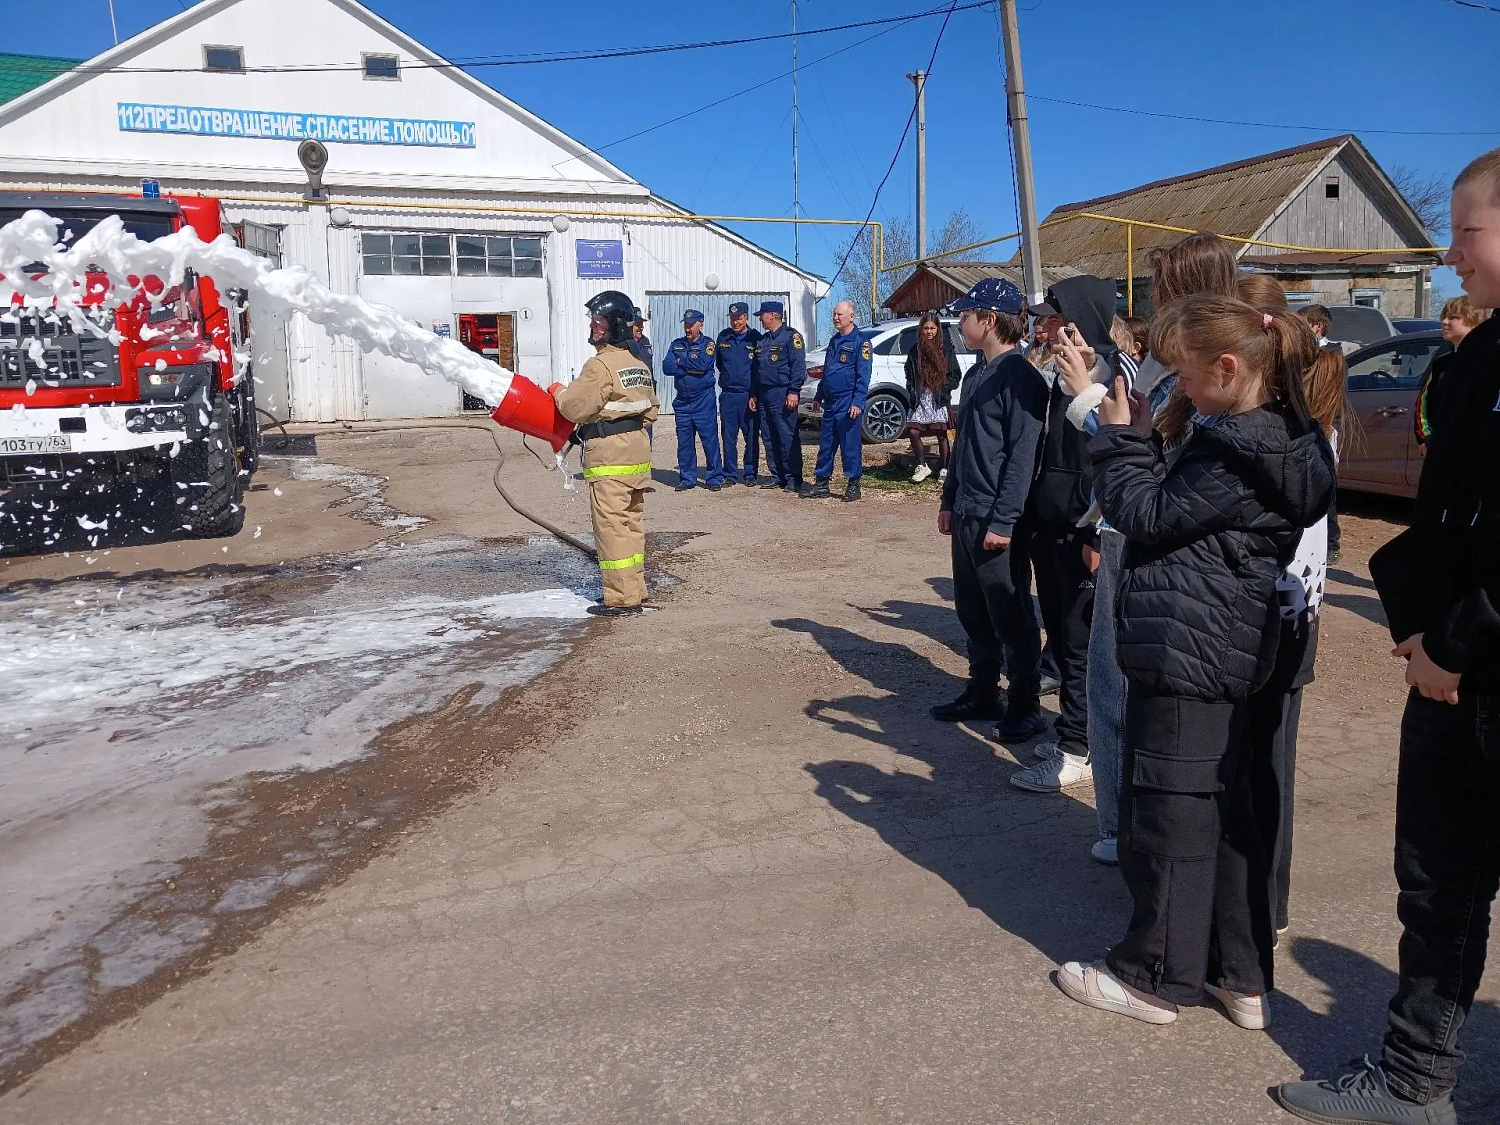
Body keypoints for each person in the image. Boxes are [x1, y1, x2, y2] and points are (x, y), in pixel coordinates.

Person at [1275, 147, 1500, 1125]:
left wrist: (1461, 640)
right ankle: (1416, 1080)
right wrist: (1426, 635)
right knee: (1440, 882)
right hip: (1449, 665)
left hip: (1478, 656)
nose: (1449, 252)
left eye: (1469, 230)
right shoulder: (1484, 353)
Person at [1055, 296, 1334, 1029]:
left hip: (1191, 647)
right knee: (1226, 813)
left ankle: (1154, 975)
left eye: (1184, 374)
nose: (1177, 387)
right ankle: (1235, 972)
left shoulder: (1239, 446)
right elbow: (1173, 508)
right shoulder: (1276, 438)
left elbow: (1145, 515)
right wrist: (1145, 440)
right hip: (1225, 644)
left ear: (1229, 368)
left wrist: (1119, 440)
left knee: (1171, 815)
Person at [1055, 231, 1240, 865]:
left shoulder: (1208, 373)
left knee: (1122, 688)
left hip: (1148, 539)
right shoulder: (1169, 361)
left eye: (1162, 287)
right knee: (1111, 685)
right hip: (1125, 528)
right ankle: (1117, 821)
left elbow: (1149, 455)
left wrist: (1083, 396)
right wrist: (1093, 380)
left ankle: (1128, 830)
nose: (1153, 298)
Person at [1011, 276, 1138, 794]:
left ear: (1078, 316)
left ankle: (1081, 750)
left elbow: (1111, 454)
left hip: (1083, 532)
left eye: (1052, 316)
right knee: (1063, 639)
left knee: (1082, 642)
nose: (1042, 325)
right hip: (1053, 526)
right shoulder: (1062, 365)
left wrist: (1095, 534)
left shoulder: (1112, 371)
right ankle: (1073, 731)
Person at [1248, 345, 1346, 950]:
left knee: (1263, 764)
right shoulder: (1316, 436)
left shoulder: (1289, 439)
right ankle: (1267, 899)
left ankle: (1261, 902)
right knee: (1273, 761)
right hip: (1296, 614)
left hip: (1274, 618)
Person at [930, 278, 1047, 742]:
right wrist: (947, 499)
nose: (959, 323)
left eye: (966, 314)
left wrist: (1004, 520)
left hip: (996, 518)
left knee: (1010, 613)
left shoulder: (1021, 377)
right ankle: (983, 690)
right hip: (966, 509)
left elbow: (1023, 456)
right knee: (972, 609)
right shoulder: (978, 373)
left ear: (990, 320)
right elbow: (962, 450)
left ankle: (1026, 704)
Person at [552, 290, 661, 617]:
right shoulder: (637, 363)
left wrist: (558, 392)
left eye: (598, 322)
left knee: (612, 528)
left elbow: (574, 407)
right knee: (630, 525)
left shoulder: (600, 366)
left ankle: (621, 599)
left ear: (614, 325)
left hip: (610, 461)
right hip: (637, 457)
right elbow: (652, 410)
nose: (592, 326)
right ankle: (636, 589)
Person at [803, 300, 870, 502]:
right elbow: (829, 371)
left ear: (851, 317)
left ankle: (853, 485)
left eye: (839, 314)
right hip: (831, 402)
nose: (835, 318)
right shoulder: (834, 341)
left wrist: (858, 402)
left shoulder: (861, 342)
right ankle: (821, 482)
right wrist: (818, 396)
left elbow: (863, 376)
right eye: (834, 314)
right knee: (826, 444)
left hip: (848, 402)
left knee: (849, 446)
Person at [1413, 295, 1489, 448]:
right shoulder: (1442, 363)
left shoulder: (1489, 361)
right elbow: (1424, 404)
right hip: (1444, 450)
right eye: (1443, 317)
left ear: (1473, 322)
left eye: (1452, 318)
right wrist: (1427, 439)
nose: (1444, 322)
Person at [662, 310, 723, 492]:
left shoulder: (708, 344)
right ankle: (687, 478)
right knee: (684, 442)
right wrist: (685, 365)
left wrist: (680, 362)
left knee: (709, 440)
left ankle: (714, 478)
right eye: (686, 325)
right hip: (682, 402)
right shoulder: (677, 344)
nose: (688, 329)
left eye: (691, 325)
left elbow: (703, 365)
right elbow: (666, 367)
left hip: (703, 400)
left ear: (700, 324)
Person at [753, 300, 807, 493]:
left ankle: (794, 478)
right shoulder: (763, 340)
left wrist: (794, 391)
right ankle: (777, 476)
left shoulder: (791, 337)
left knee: (787, 435)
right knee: (769, 436)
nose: (760, 319)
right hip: (764, 393)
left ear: (773, 316)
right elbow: (757, 370)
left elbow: (798, 366)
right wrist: (755, 394)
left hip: (783, 393)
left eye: (762, 315)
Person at [903, 312, 962, 482]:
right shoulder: (915, 350)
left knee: (942, 434)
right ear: (921, 329)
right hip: (921, 398)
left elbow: (955, 374)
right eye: (926, 328)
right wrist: (912, 388)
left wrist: (944, 388)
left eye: (932, 328)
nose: (929, 331)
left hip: (938, 397)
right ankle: (922, 466)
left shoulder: (946, 349)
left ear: (938, 329)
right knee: (913, 431)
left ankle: (944, 468)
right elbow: (909, 372)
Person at [716, 301, 762, 485]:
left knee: (750, 436)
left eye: (739, 318)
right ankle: (730, 474)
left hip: (748, 395)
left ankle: (750, 473)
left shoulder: (755, 338)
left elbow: (759, 369)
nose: (736, 322)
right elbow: (719, 364)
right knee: (728, 436)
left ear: (746, 318)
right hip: (728, 395)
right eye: (733, 318)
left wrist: (754, 394)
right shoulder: (723, 337)